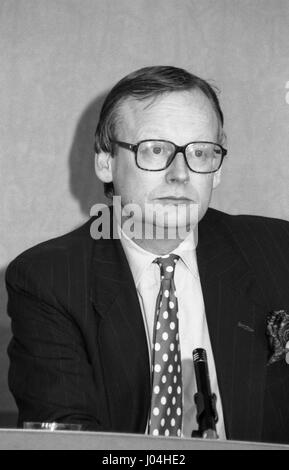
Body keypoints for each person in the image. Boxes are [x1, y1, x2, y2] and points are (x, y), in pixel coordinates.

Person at [5, 66, 289, 445]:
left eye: (201, 152)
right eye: (155, 149)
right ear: (105, 161)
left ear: (217, 170)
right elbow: (68, 439)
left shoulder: (279, 252)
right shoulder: (50, 279)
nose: (179, 174)